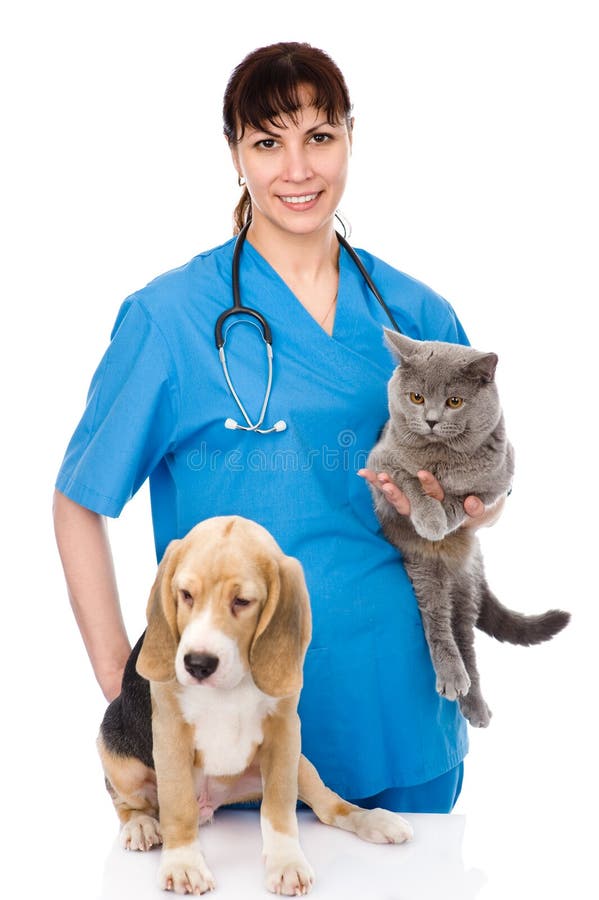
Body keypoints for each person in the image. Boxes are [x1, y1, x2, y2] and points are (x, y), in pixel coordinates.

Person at [53, 41, 500, 814]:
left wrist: (476, 506)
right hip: (230, 736)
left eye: (318, 137)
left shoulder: (417, 317)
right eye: (268, 142)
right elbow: (77, 502)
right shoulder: (169, 320)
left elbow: (476, 488)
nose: (297, 170)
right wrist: (129, 687)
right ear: (235, 154)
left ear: (349, 140)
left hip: (397, 711)